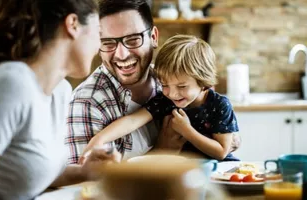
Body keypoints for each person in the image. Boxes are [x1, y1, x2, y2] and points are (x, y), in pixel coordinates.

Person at [0, 1, 120, 200]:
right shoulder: (11, 86)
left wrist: (85, 172)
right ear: (73, 24)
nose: (99, 45)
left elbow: (28, 174)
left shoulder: (60, 91)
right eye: (99, 31)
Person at [65, 0, 189, 164]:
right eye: (108, 43)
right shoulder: (86, 103)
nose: (122, 55)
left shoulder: (174, 83)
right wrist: (163, 151)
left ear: (153, 37)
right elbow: (88, 186)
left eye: (133, 40)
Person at [81, 35, 240, 161]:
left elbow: (221, 152)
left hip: (219, 171)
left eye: (182, 86)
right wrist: (98, 140)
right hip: (184, 171)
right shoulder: (166, 101)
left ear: (203, 81)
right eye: (164, 84)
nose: (172, 93)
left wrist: (187, 131)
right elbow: (133, 120)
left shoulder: (219, 104)